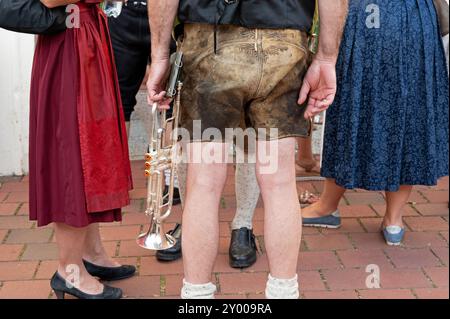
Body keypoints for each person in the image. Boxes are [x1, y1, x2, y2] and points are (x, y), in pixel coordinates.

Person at [147, 0, 348, 299]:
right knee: (279, 182)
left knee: (203, 183)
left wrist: (160, 54)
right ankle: (282, 293)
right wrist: (327, 57)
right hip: (284, 40)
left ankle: (197, 297)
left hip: (208, 41)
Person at [302, 0, 449, 246]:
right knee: (409, 111)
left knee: (352, 106)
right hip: (416, 18)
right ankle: (394, 220)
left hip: (364, 16)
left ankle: (327, 207)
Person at [31, 0, 135, 299]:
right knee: (73, 157)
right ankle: (69, 270)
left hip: (84, 36)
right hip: (69, 45)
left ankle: (91, 254)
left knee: (92, 154)